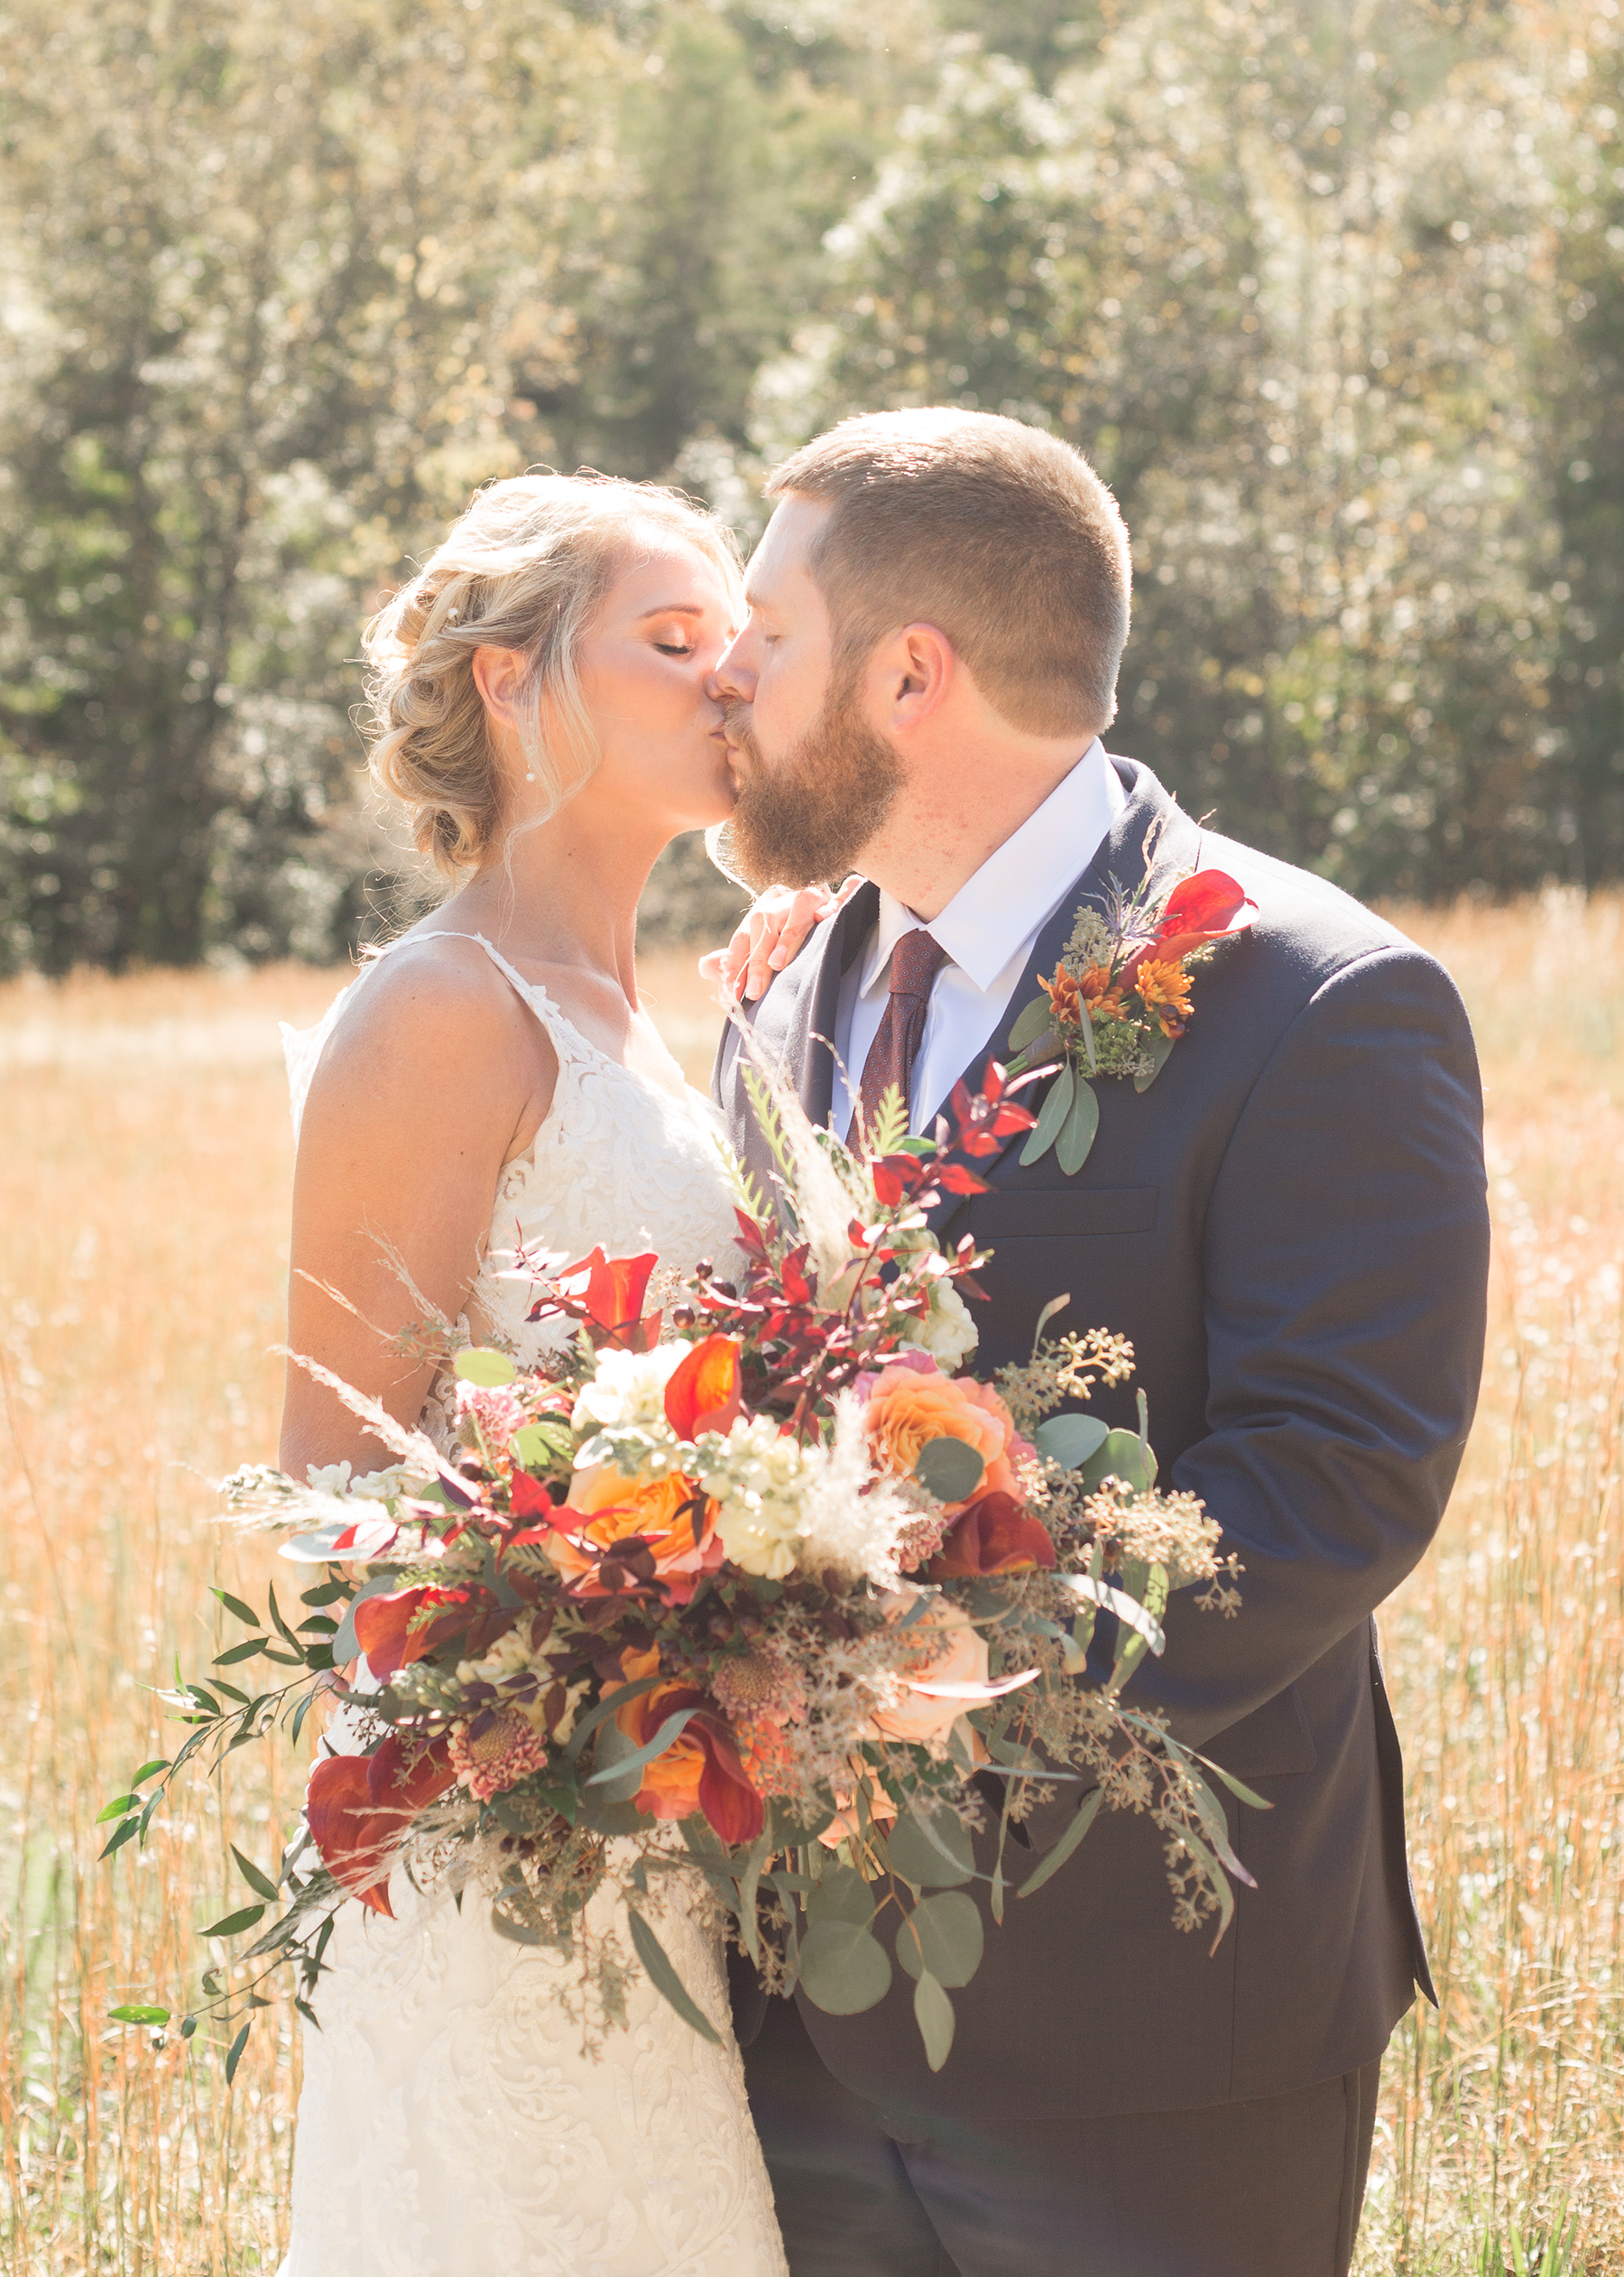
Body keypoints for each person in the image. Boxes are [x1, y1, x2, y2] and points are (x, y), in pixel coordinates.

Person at [707, 407, 1491, 2277]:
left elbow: (1336, 1477)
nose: (729, 681)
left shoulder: (1317, 1000)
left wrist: (967, 1670)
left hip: (1161, 2031)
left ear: (913, 674)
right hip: (798, 2023)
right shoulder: (789, 979)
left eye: (768, 638)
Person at [275, 473, 788, 2277]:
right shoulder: (442, 1012)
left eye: (741, 643)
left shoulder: (666, 1019)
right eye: (671, 642)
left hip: (671, 1822)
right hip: (506, 1832)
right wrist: (610, 1625)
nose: (730, 679)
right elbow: (331, 1485)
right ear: (507, 683)